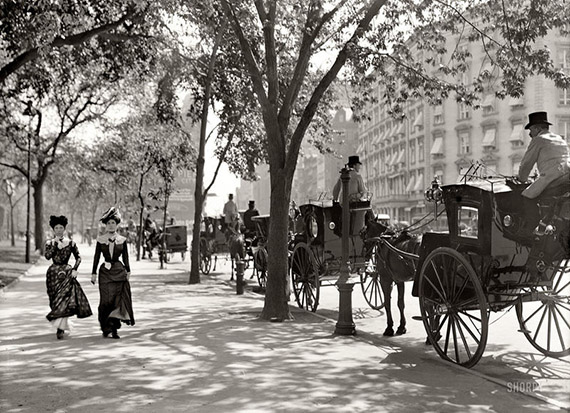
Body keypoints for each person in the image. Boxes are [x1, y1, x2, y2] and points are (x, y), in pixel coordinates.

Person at [44, 215, 92, 339]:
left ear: (64, 229)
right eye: (56, 228)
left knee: (64, 299)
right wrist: (55, 245)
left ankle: (60, 329)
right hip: (53, 274)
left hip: (66, 273)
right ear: (53, 229)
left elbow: (78, 257)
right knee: (54, 300)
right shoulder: (49, 243)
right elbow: (47, 256)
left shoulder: (70, 243)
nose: (59, 230)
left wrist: (75, 269)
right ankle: (61, 323)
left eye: (61, 227)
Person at [91, 207, 135, 339]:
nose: (111, 225)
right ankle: (105, 327)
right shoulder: (101, 239)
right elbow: (96, 257)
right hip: (105, 273)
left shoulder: (122, 240)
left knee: (117, 300)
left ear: (117, 225)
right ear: (105, 225)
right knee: (106, 300)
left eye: (113, 223)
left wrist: (128, 270)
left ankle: (114, 328)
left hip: (119, 272)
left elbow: (125, 257)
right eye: (109, 223)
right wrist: (93, 273)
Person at [518, 111, 570, 199]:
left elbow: (527, 163)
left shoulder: (538, 140)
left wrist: (522, 179)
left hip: (552, 178)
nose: (530, 134)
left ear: (537, 128)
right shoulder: (559, 139)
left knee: (526, 196)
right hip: (567, 174)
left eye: (531, 130)